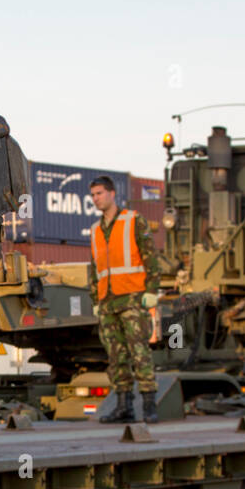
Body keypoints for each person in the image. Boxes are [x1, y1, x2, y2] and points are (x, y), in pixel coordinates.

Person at [88, 176, 161, 423]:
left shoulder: (134, 220)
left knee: (139, 351)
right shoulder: (95, 230)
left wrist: (152, 290)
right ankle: (124, 406)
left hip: (131, 298)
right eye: (93, 195)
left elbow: (150, 256)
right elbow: (94, 268)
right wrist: (95, 301)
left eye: (99, 193)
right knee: (115, 356)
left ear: (111, 193)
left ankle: (149, 404)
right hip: (108, 302)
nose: (96, 198)